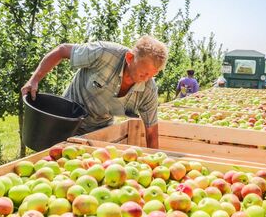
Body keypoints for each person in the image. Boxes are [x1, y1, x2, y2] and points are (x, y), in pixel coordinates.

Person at [21, 35, 168, 148]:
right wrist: (34, 79)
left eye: (152, 75)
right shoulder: (104, 53)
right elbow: (62, 50)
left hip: (98, 130)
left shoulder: (148, 89)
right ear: (130, 58)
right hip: (67, 121)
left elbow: (151, 131)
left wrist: (153, 165)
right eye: (143, 73)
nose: (146, 79)